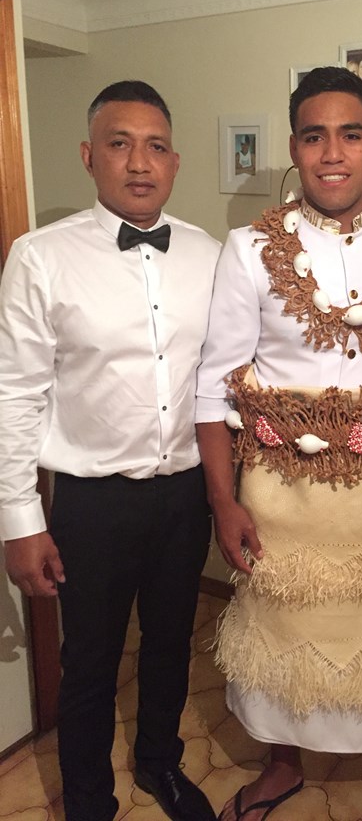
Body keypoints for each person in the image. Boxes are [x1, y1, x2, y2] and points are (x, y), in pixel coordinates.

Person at [195, 66, 362, 821]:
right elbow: (214, 381)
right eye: (314, 135)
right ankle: (281, 763)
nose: (332, 152)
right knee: (282, 633)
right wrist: (221, 500)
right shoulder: (248, 249)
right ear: (295, 149)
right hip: (279, 492)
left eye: (350, 134)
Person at [0, 81, 221, 821]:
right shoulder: (40, 258)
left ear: (176, 162)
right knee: (90, 663)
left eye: (155, 146)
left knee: (169, 645)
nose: (139, 162)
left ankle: (160, 762)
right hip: (91, 503)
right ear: (90, 156)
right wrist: (19, 518)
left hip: (185, 495)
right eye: (120, 144)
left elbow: (226, 378)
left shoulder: (209, 256)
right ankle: (88, 799)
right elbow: (15, 394)